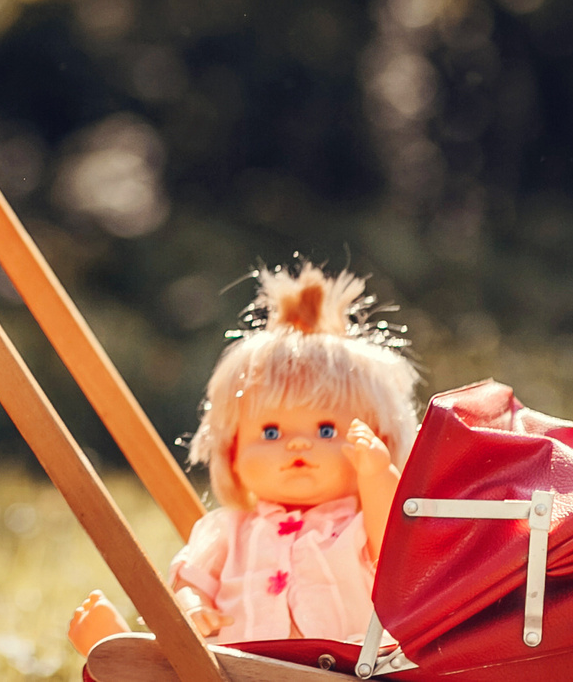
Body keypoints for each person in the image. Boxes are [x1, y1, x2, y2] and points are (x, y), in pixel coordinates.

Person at [68, 262, 417, 656]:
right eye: (270, 432)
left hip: (344, 668)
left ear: (380, 438)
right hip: (236, 668)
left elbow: (397, 545)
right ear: (232, 452)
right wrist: (194, 607)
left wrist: (376, 473)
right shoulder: (227, 531)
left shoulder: (359, 526)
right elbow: (190, 583)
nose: (297, 445)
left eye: (325, 431)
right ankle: (119, 652)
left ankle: (120, 656)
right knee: (187, 664)